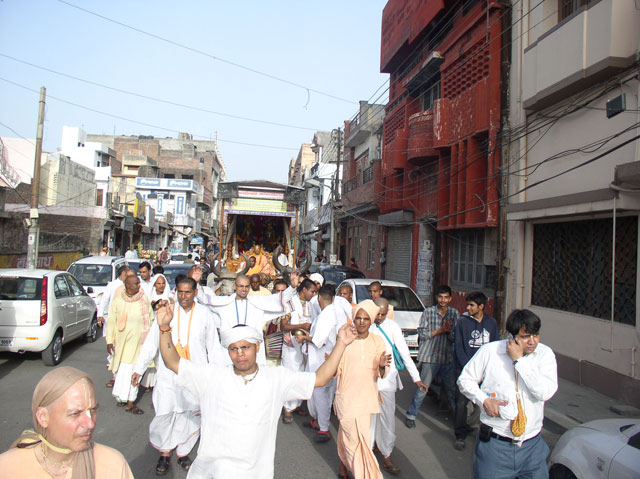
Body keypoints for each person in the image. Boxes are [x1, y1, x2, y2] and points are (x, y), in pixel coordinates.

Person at [154, 300, 358, 479]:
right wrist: (164, 329)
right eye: (234, 349)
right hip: (212, 471)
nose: (240, 354)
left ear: (257, 347)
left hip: (256, 472)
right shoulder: (212, 376)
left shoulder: (276, 378)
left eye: (246, 347)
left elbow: (320, 379)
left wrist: (341, 343)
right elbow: (174, 363)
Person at [133, 277, 222, 475]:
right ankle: (165, 452)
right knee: (165, 411)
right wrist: (139, 368)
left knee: (190, 413)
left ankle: (183, 452)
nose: (183, 296)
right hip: (167, 374)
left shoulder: (205, 314)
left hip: (194, 373)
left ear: (195, 293)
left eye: (187, 292)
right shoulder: (167, 312)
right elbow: (152, 342)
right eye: (180, 292)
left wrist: (220, 373)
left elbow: (213, 347)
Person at [458, 309, 558, 479]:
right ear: (511, 336)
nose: (532, 341)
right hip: (496, 446)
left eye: (536, 335)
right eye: (526, 336)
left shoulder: (544, 355)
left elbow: (544, 392)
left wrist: (519, 361)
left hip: (532, 447)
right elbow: (465, 380)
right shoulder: (490, 351)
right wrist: (484, 400)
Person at [0, 367, 134, 478]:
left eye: (93, 410)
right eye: (75, 413)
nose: (90, 424)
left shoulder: (113, 466)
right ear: (43, 417)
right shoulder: (8, 468)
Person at [334, 300, 390, 479]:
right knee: (352, 441)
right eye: (358, 318)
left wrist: (381, 366)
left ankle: (344, 465)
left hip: (366, 400)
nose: (361, 322)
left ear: (371, 320)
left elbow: (382, 373)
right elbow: (336, 370)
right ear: (354, 319)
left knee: (361, 442)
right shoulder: (345, 340)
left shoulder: (378, 342)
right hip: (347, 399)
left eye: (366, 319)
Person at [371, 297, 425, 475]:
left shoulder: (392, 327)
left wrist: (416, 378)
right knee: (369, 419)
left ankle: (386, 454)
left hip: (387, 381)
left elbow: (405, 353)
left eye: (383, 314)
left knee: (387, 419)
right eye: (377, 313)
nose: (379, 317)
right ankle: (367, 452)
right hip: (368, 380)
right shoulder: (366, 324)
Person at [405, 285, 459, 429]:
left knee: (451, 390)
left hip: (447, 357)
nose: (443, 300)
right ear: (437, 298)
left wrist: (448, 332)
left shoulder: (454, 314)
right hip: (430, 357)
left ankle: (459, 423)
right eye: (440, 297)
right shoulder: (428, 313)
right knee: (423, 388)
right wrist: (440, 330)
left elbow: (455, 337)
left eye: (446, 297)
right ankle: (411, 414)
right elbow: (422, 334)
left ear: (450, 298)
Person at [453, 291, 499, 450]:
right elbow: (459, 348)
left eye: (471, 305)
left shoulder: (491, 323)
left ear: (481, 306)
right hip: (466, 371)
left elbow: (495, 346)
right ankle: (460, 434)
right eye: (468, 305)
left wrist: (488, 370)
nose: (468, 308)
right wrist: (470, 370)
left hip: (485, 374)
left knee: (481, 403)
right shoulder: (462, 322)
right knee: (462, 403)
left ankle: (472, 426)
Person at [296, 285, 339, 443]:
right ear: (332, 298)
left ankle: (324, 428)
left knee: (321, 394)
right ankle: (316, 421)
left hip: (322, 359)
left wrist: (304, 338)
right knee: (315, 393)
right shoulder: (327, 314)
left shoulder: (328, 315)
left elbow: (318, 341)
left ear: (319, 297)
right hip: (317, 358)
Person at [107, 274, 153, 413]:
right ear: (127, 286)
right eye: (136, 284)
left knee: (135, 371)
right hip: (123, 345)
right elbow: (111, 321)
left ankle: (131, 402)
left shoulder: (143, 299)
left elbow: (150, 319)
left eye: (139, 283)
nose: (139, 286)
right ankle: (122, 398)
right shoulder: (118, 301)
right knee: (123, 371)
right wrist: (109, 341)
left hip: (140, 345)